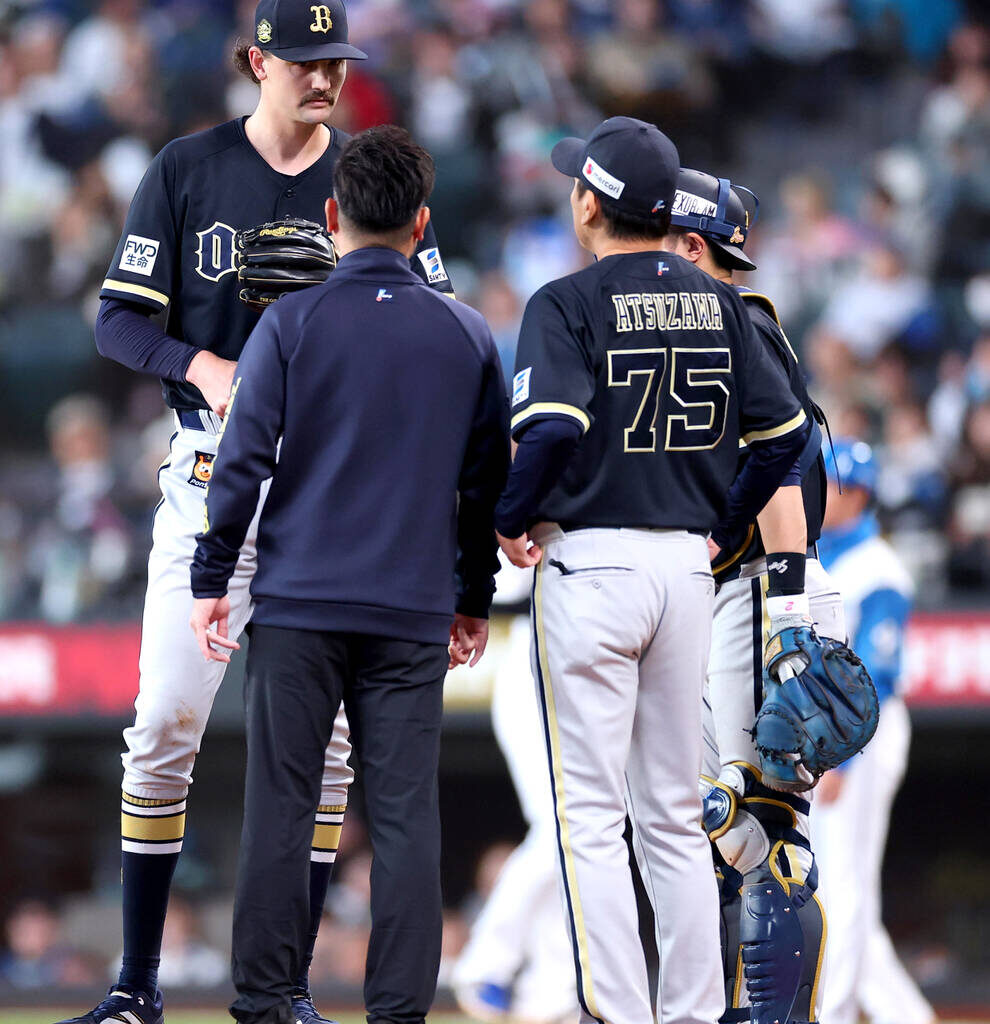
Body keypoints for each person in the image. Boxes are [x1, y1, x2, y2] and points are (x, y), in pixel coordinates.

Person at [59, 1, 454, 1021]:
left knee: (326, 757)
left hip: (328, 488)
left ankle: (285, 993)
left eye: (336, 60)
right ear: (256, 62)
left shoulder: (365, 175)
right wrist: (203, 360)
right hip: (207, 466)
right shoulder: (188, 169)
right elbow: (116, 319)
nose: (325, 76)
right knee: (161, 729)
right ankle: (137, 983)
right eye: (306, 59)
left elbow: (435, 315)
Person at [493, 116, 811, 1024]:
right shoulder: (719, 300)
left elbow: (550, 427)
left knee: (592, 818)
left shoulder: (566, 300)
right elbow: (785, 436)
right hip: (685, 571)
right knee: (673, 815)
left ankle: (619, 1014)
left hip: (591, 562)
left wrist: (508, 517)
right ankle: (693, 1014)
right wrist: (722, 517)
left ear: (589, 200)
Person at [189, 125, 509, 1024]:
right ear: (423, 224)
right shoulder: (469, 333)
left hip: (297, 605)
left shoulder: (289, 322)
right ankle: (398, 1014)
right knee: (407, 819)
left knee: (282, 807)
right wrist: (473, 597)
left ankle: (263, 1004)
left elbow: (242, 465)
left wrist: (213, 576)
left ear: (332, 218)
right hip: (410, 610)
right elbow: (485, 486)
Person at [665, 167, 843, 1024]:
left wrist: (792, 624)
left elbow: (788, 472)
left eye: (659, 236)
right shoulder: (731, 324)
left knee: (762, 827)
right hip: (721, 592)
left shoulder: (730, 325)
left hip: (756, 593)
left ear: (693, 246)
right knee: (693, 822)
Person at [809, 439, 936, 1024]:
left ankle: (831, 1014)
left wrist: (843, 759)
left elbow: (877, 679)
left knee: (844, 887)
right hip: (832, 735)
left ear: (855, 494)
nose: (818, 492)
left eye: (830, 484)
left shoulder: (879, 568)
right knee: (841, 885)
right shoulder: (821, 556)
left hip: (866, 735)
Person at [452, 608, 578, 1024]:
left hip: (575, 658)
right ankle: (484, 965)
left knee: (572, 837)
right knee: (562, 829)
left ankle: (549, 986)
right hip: (536, 655)